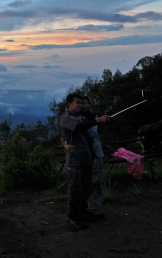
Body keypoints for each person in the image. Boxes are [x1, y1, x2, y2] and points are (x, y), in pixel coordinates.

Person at [61, 93, 110, 230]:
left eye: (81, 103)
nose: (80, 105)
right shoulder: (66, 119)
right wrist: (97, 121)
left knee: (87, 187)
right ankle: (73, 216)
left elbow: (89, 136)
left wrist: (93, 156)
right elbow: (79, 128)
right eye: (78, 102)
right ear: (69, 103)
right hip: (74, 160)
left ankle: (83, 211)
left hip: (86, 158)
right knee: (75, 189)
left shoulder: (81, 118)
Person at [80, 96, 106, 219]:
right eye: (81, 103)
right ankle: (84, 208)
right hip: (85, 154)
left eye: (86, 103)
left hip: (97, 151)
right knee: (85, 181)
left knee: (97, 181)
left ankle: (95, 207)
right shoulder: (77, 119)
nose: (84, 105)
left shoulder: (95, 117)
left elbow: (94, 137)